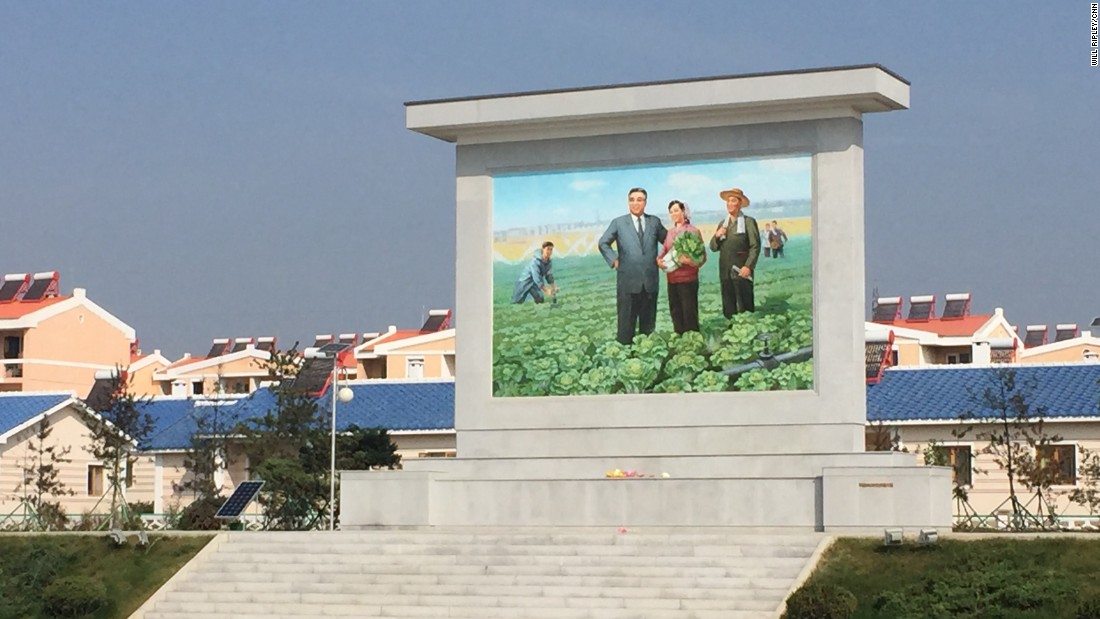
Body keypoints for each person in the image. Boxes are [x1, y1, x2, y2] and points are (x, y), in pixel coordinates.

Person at [598, 187, 668, 345]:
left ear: (645, 202)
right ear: (628, 202)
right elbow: (603, 243)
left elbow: (668, 242)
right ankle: (625, 359)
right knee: (625, 329)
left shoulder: (654, 222)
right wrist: (614, 261)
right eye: (632, 200)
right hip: (627, 283)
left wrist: (664, 259)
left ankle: (647, 357)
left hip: (650, 283)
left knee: (648, 328)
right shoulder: (619, 223)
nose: (635, 203)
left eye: (640, 199)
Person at [709, 187, 760, 317]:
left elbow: (755, 246)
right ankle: (730, 330)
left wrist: (748, 266)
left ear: (740, 204)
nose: (730, 204)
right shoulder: (723, 224)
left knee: (745, 303)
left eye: (733, 200)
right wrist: (717, 236)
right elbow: (713, 248)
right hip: (725, 271)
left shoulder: (749, 222)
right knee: (728, 305)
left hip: (741, 269)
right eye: (728, 201)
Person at [657, 200, 706, 334]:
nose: (674, 214)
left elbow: (702, 258)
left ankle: (693, 341)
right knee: (675, 312)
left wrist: (689, 261)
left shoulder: (693, 231)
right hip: (672, 280)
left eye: (676, 210)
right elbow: (664, 250)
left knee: (689, 312)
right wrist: (659, 260)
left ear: (683, 212)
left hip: (688, 280)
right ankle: (680, 340)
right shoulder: (670, 233)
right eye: (671, 212)